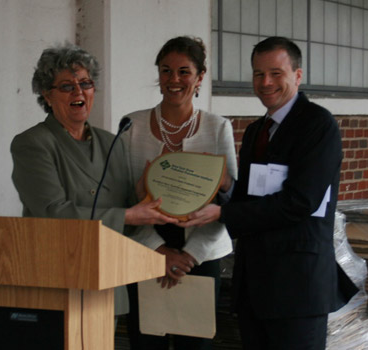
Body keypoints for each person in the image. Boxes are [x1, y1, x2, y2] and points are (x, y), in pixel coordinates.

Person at [179, 36, 358, 349]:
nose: (266, 82)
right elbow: (251, 199)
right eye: (258, 74)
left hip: (297, 288)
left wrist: (224, 213)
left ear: (297, 76)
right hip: (256, 286)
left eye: (276, 73)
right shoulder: (256, 131)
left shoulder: (318, 125)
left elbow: (300, 202)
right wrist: (226, 187)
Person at [10, 43, 177, 319]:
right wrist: (128, 215)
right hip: (56, 280)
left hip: (104, 279)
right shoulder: (33, 144)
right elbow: (53, 213)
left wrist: (143, 194)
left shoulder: (111, 141)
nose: (79, 92)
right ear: (46, 95)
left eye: (86, 83)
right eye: (66, 86)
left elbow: (126, 210)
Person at [122, 36, 238, 350]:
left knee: (195, 344)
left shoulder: (218, 128)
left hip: (200, 254)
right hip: (145, 249)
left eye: (184, 72)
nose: (174, 79)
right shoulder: (130, 126)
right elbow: (121, 200)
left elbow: (230, 201)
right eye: (166, 70)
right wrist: (156, 250)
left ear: (200, 78)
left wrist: (189, 256)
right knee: (146, 340)